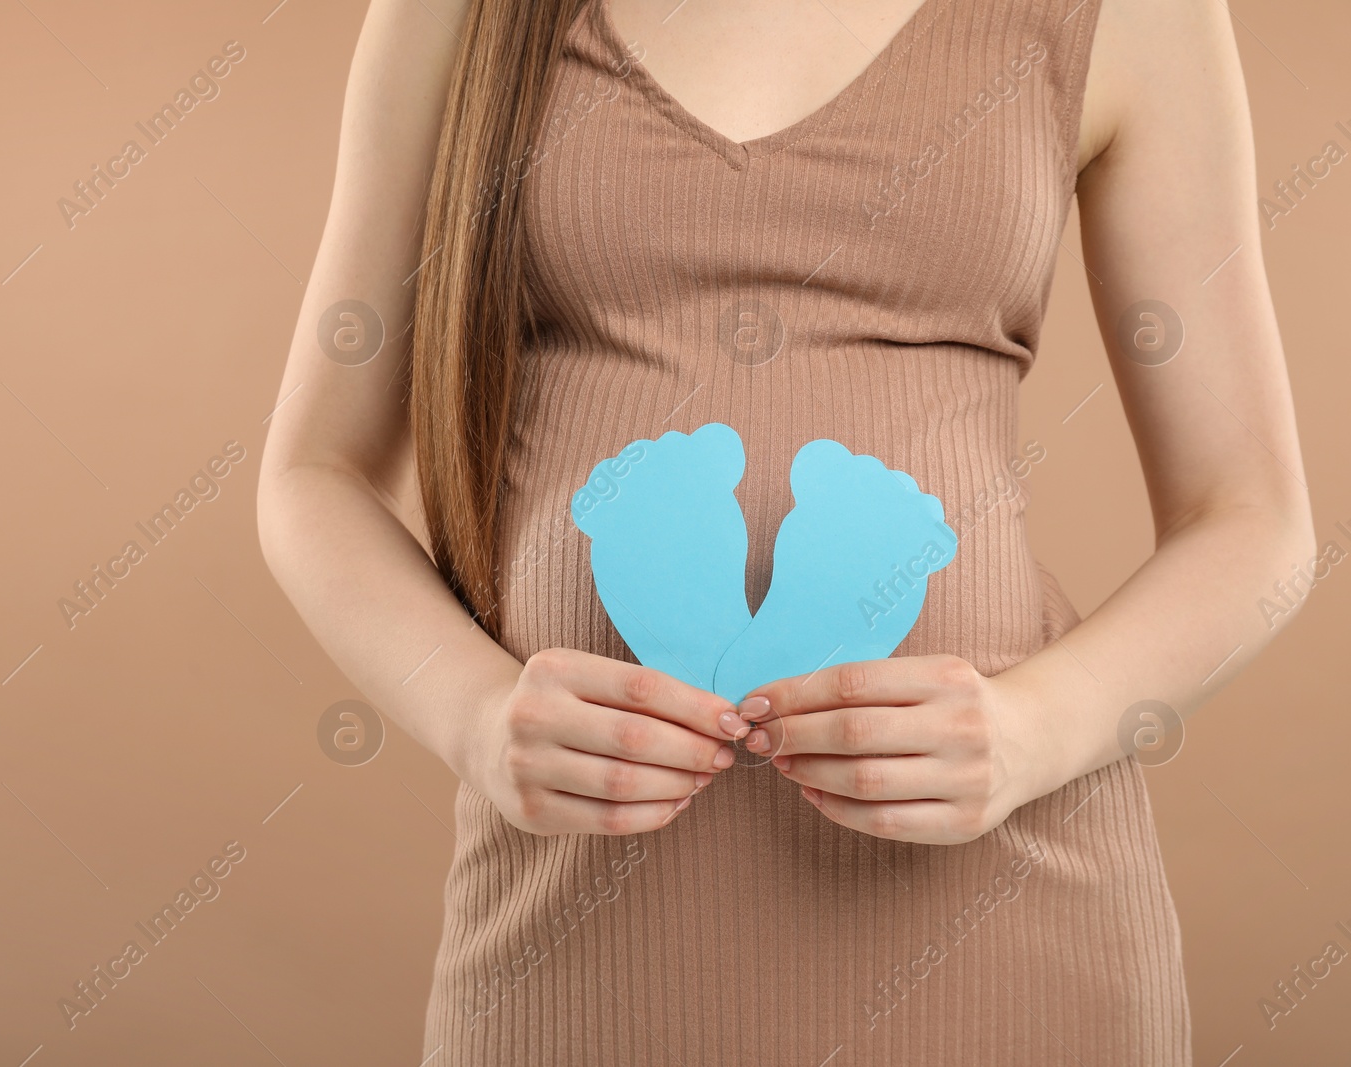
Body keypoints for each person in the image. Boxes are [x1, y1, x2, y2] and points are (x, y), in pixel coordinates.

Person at [258, 0, 1313, 1062]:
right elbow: (315, 471)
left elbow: (1250, 517)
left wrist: (1033, 729)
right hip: (574, 946)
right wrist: (474, 713)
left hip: (1005, 937)